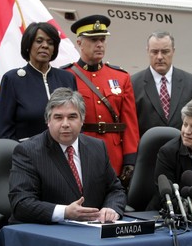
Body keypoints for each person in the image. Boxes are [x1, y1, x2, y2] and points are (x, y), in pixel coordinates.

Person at [9, 87, 126, 224]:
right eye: (58, 117)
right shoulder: (27, 151)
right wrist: (64, 212)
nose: (65, 124)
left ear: (82, 120)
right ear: (48, 121)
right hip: (48, 231)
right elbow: (21, 203)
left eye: (72, 117)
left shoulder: (97, 147)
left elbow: (115, 190)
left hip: (92, 230)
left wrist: (111, 208)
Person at [61, 15, 139, 189]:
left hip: (114, 155)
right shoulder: (66, 76)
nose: (100, 44)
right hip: (81, 150)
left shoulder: (121, 77)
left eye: (102, 39)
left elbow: (129, 123)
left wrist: (130, 158)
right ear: (79, 43)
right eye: (94, 40)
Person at [0, 22, 77, 141]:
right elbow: (5, 133)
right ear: (28, 45)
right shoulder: (13, 80)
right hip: (28, 154)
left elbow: (76, 120)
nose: (45, 46)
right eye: (39, 41)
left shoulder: (67, 78)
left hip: (63, 153)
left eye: (50, 43)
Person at [132, 31, 192, 136]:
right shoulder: (133, 84)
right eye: (155, 52)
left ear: (173, 51)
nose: (160, 57)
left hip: (183, 149)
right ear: (147, 51)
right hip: (148, 150)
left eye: (165, 52)